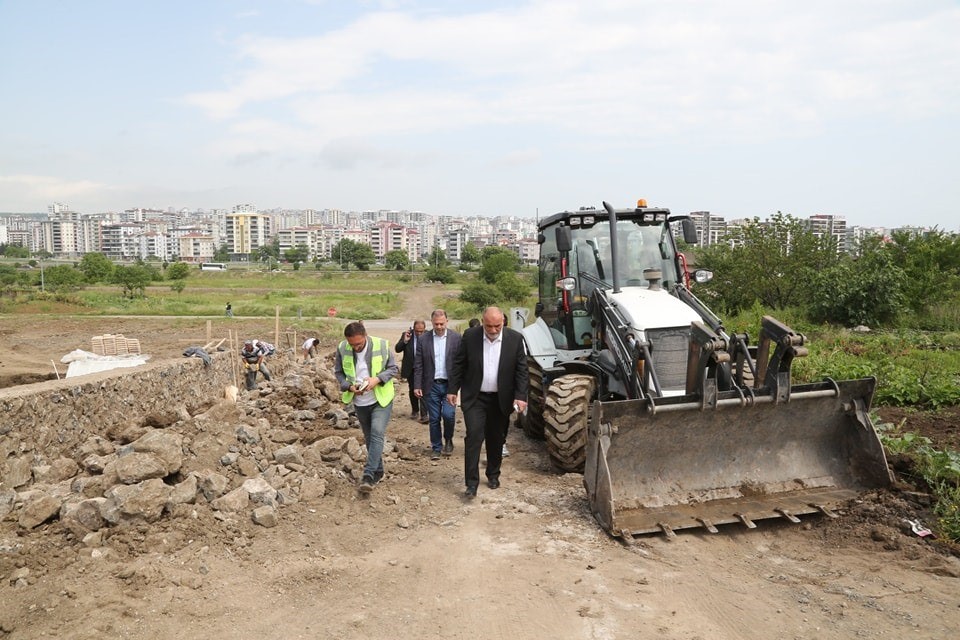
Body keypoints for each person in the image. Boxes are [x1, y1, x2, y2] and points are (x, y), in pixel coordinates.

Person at [447, 306, 528, 498]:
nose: (492, 331)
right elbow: (459, 363)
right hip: (475, 397)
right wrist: (452, 389)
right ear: (483, 322)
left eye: (497, 326)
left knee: (496, 438)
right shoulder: (470, 336)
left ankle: (493, 474)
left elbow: (521, 371)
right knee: (474, 437)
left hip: (501, 398)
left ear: (503, 323)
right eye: (489, 326)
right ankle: (471, 483)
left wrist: (521, 396)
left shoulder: (515, 340)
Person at [333, 321, 398, 494]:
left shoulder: (382, 345)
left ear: (365, 336)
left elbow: (393, 368)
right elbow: (339, 373)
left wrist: (377, 379)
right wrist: (348, 386)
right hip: (360, 402)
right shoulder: (342, 348)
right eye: (352, 344)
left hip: (381, 399)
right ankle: (379, 470)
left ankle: (368, 475)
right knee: (369, 438)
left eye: (359, 344)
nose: (355, 348)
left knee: (377, 432)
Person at [413, 309, 462, 460]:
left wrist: (458, 385)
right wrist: (417, 385)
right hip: (431, 385)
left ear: (447, 321)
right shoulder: (424, 340)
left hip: (449, 386)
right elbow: (419, 364)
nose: (439, 327)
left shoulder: (456, 338)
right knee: (434, 418)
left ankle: (448, 439)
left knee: (448, 415)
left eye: (442, 324)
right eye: (436, 324)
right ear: (432, 323)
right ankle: (436, 447)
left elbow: (460, 364)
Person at [395, 320, 427, 421]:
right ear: (413, 329)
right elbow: (397, 349)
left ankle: (424, 414)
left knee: (424, 390)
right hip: (411, 368)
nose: (419, 333)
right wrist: (405, 341)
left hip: (424, 368)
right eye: (417, 331)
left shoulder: (429, 335)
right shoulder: (407, 335)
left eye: (421, 331)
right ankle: (415, 410)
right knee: (413, 389)